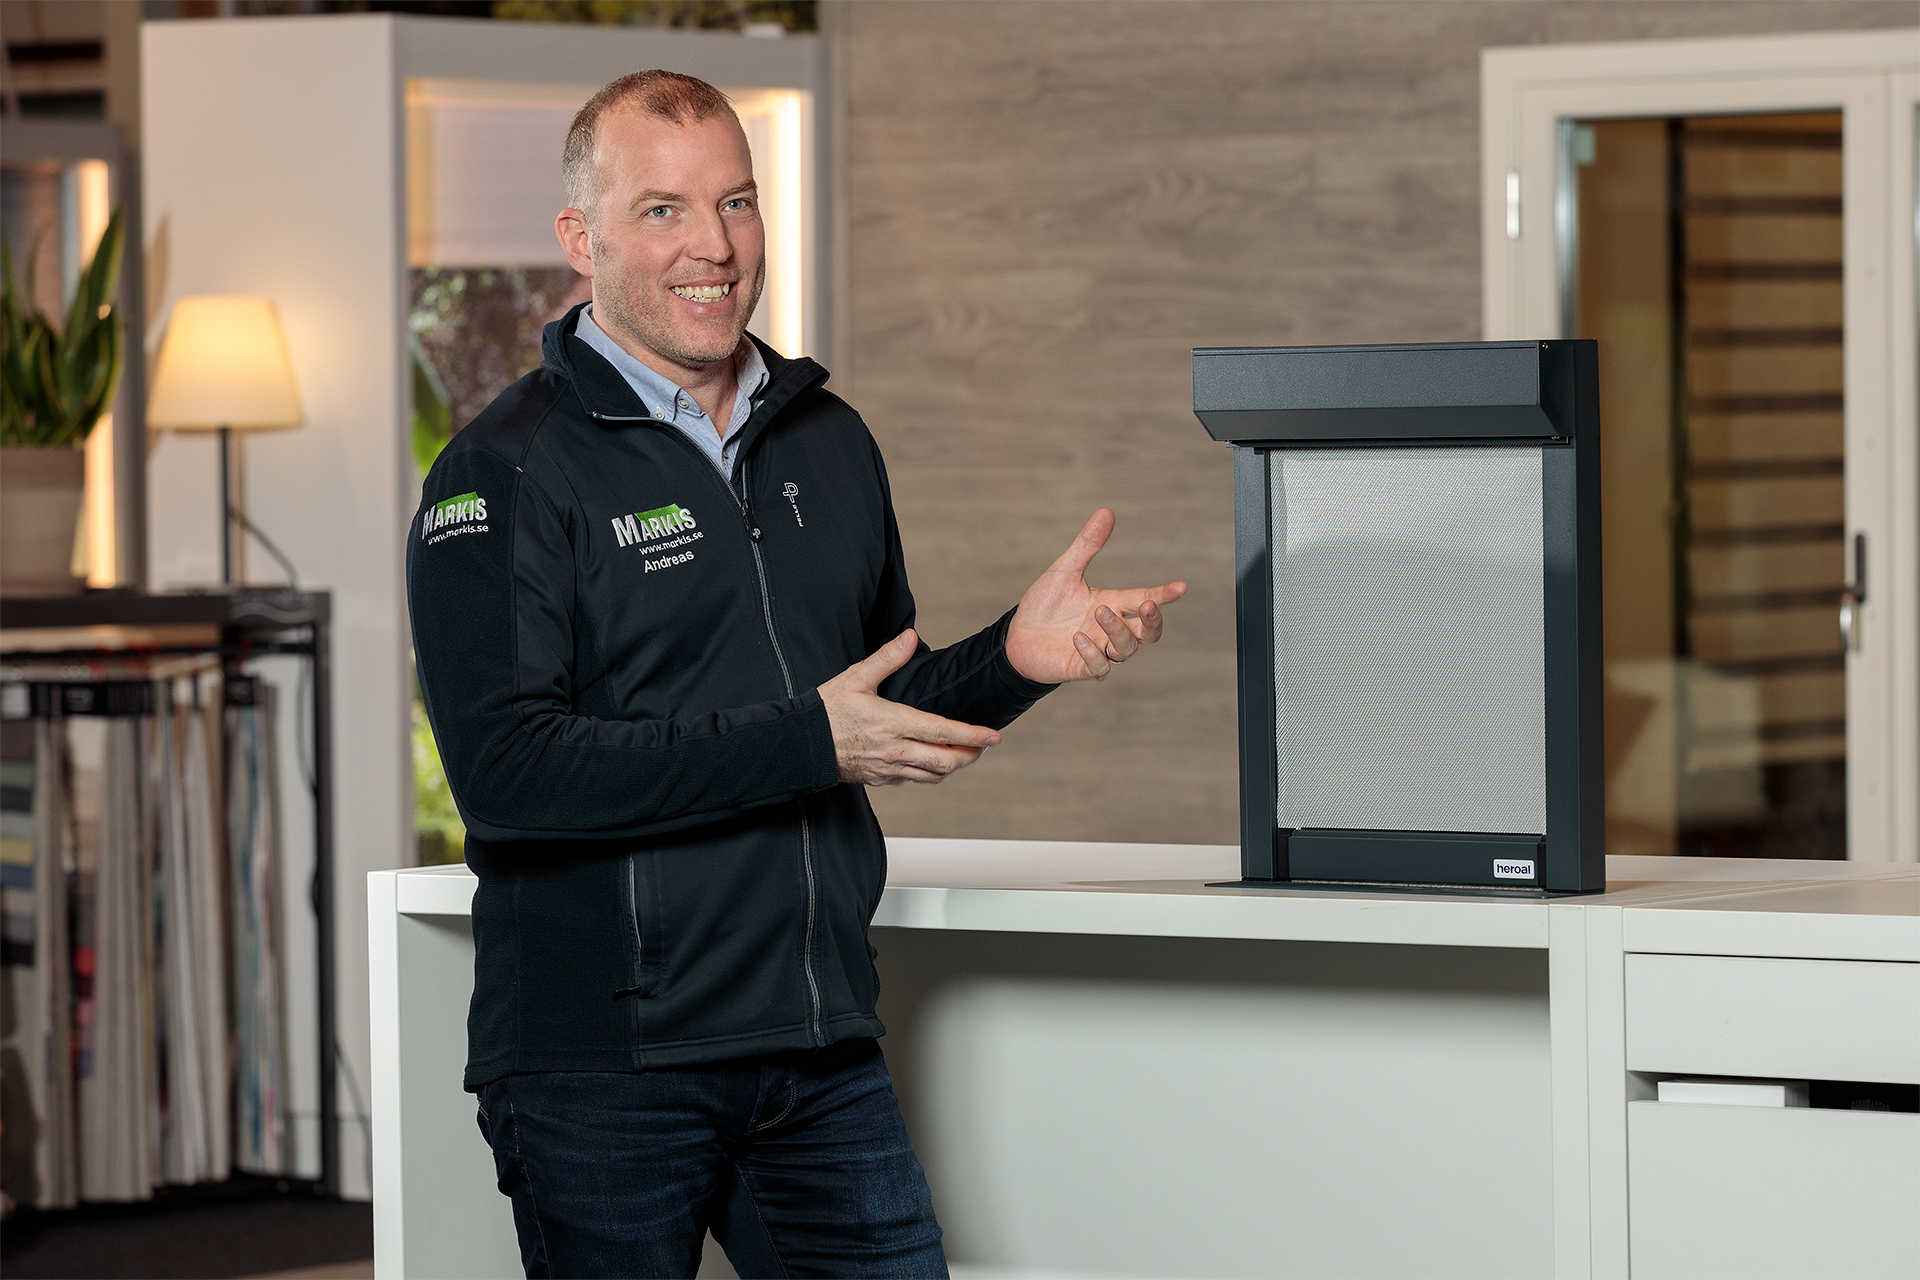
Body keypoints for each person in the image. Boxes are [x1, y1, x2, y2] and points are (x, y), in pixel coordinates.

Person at [406, 69, 1186, 1280]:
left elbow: (869, 711)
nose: (713, 246)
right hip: (604, 1065)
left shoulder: (828, 438)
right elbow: (509, 774)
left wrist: (1012, 658)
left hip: (815, 1041)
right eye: (662, 210)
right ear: (581, 239)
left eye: (736, 201)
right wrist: (805, 743)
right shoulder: (503, 471)